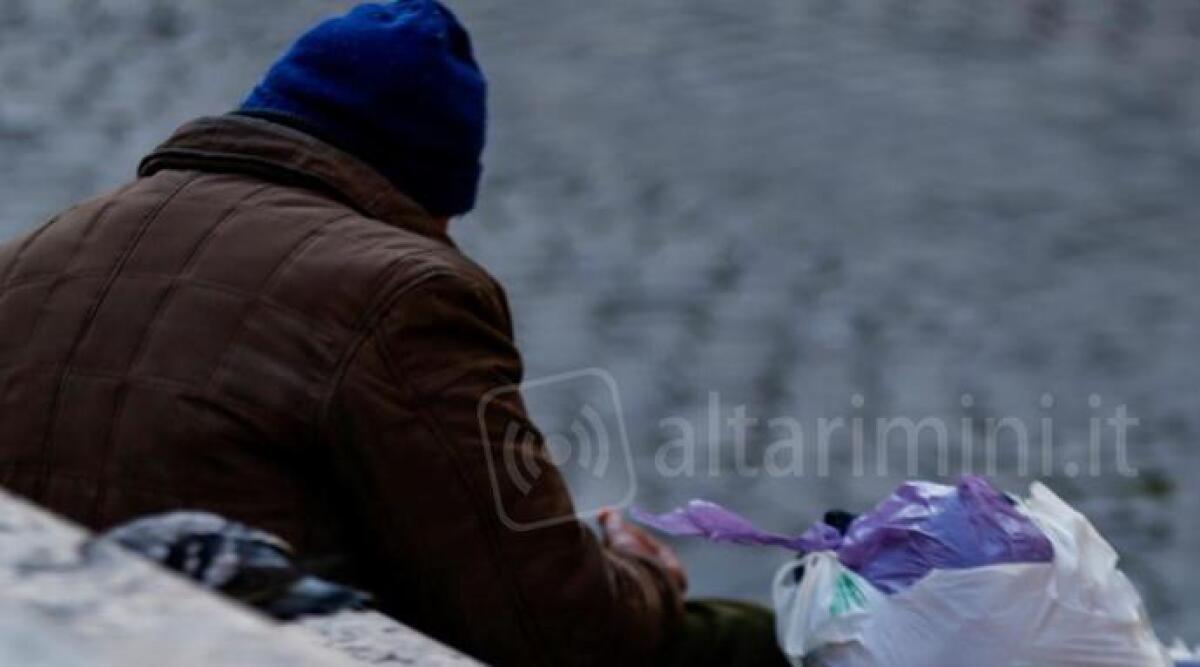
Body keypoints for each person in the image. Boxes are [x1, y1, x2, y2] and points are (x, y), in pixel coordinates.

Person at [0, 2, 784, 665]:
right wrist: (645, 573)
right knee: (768, 641)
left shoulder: (39, 248)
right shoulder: (406, 292)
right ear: (430, 188)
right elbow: (549, 621)